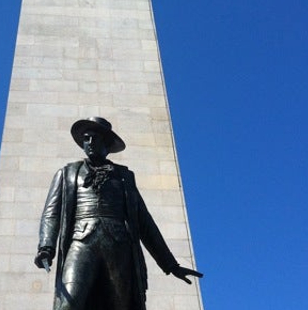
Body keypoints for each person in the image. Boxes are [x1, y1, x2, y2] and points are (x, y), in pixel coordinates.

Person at [34, 117, 203, 310]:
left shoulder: (124, 177)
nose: (88, 143)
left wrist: (170, 264)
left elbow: (145, 222)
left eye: (93, 138)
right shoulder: (67, 173)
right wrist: (46, 246)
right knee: (69, 303)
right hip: (81, 241)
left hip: (119, 244)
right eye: (85, 139)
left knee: (121, 306)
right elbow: (51, 212)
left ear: (106, 143)